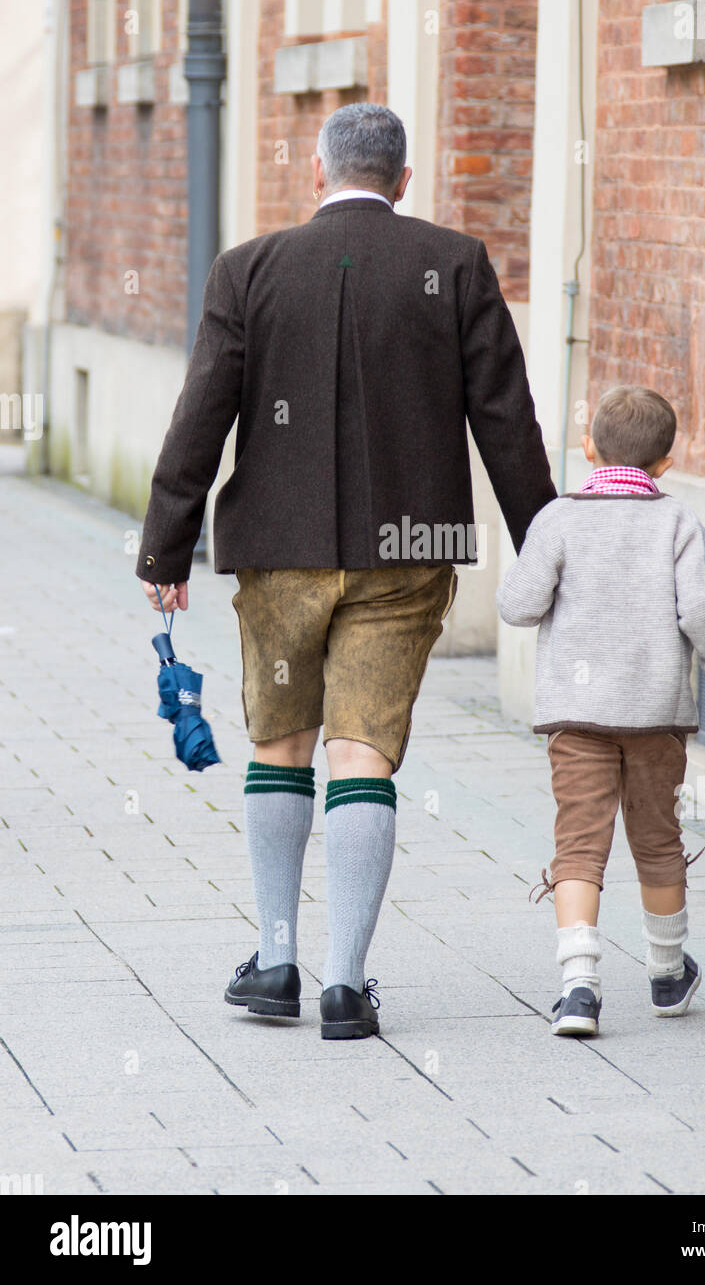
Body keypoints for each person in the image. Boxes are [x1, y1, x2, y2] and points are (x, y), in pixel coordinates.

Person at [137, 103, 556, 1040]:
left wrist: (166, 546)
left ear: (317, 173)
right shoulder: (454, 263)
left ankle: (276, 960)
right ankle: (343, 982)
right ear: (404, 180)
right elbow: (505, 418)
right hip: (404, 557)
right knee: (362, 751)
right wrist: (548, 543)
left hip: (278, 552)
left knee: (281, 742)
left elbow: (200, 411)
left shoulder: (247, 268)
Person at [497, 385, 705, 1037]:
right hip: (654, 719)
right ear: (666, 462)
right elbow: (700, 610)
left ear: (588, 448)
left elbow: (519, 606)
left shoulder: (558, 519)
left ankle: (579, 988)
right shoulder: (678, 522)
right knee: (657, 840)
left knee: (579, 843)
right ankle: (667, 974)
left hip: (577, 718)